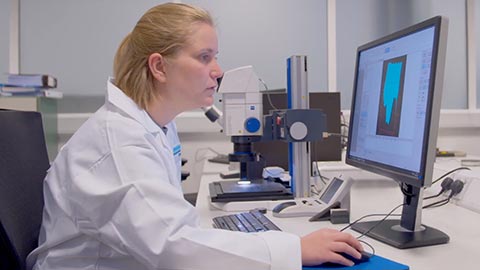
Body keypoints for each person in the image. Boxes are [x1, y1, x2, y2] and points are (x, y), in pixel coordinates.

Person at [27, 3, 363, 270]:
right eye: (205, 57)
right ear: (159, 67)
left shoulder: (154, 123)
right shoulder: (119, 143)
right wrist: (295, 250)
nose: (217, 70)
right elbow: (174, 249)